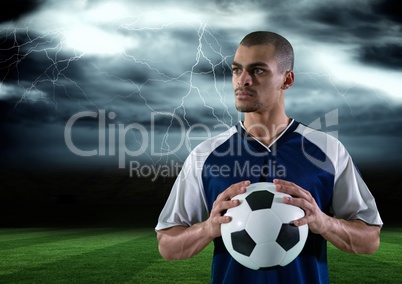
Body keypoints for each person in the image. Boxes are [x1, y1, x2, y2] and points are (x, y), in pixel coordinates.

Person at [155, 31, 383, 284]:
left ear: (287, 80)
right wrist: (208, 228)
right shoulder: (206, 155)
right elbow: (168, 245)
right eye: (236, 70)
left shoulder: (327, 150)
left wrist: (323, 223)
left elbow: (369, 240)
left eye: (258, 70)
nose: (243, 80)